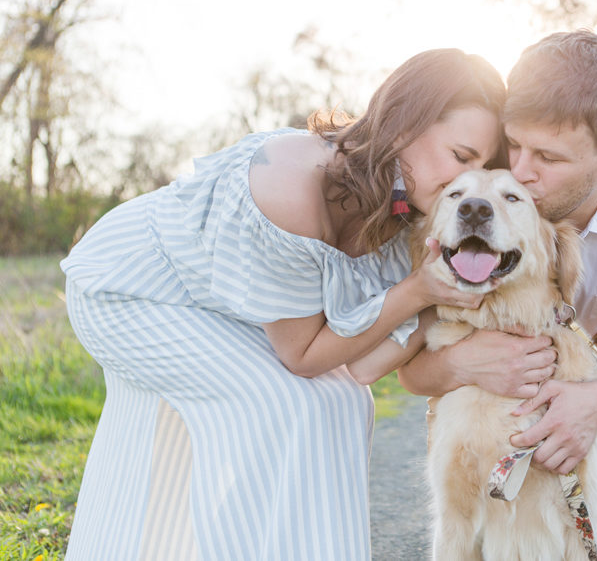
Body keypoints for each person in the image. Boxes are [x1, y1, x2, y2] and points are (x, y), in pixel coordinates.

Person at [60, 48, 506, 560]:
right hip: (131, 286)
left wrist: (433, 302)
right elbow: (302, 357)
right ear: (405, 126)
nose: (469, 178)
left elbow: (359, 366)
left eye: (483, 165)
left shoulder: (407, 207)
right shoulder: (292, 187)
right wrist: (418, 293)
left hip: (212, 302)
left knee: (342, 401)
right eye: (462, 156)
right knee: (286, 403)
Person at [398, 30, 597, 558]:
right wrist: (465, 366)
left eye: (547, 156)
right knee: (464, 401)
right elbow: (408, 368)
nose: (521, 171)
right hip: (496, 314)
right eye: (515, 145)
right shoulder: (479, 162)